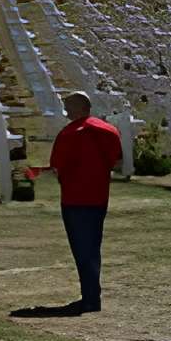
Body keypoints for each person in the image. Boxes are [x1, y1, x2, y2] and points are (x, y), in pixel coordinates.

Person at [45, 90, 127, 313]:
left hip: (74, 197)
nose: (66, 110)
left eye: (68, 106)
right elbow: (117, 162)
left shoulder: (70, 133)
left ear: (78, 107)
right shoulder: (108, 130)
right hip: (99, 195)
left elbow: (57, 166)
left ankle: (90, 296)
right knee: (93, 246)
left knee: (82, 249)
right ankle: (92, 294)